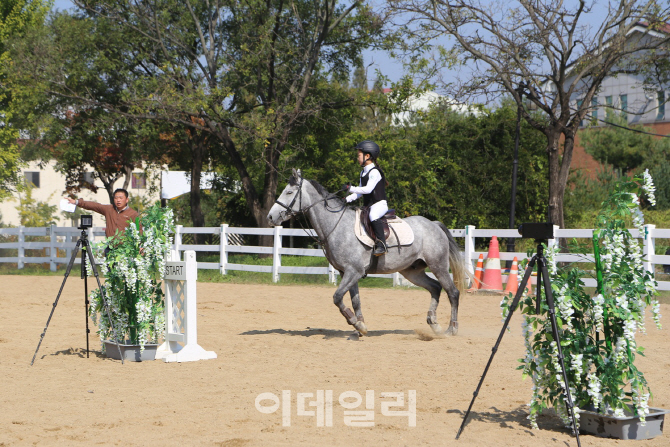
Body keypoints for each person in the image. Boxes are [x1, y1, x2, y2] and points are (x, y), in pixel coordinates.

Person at [343, 140, 389, 256]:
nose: (357, 158)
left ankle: (382, 245)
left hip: (379, 205)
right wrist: (346, 199)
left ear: (367, 156)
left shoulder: (375, 172)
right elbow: (360, 192)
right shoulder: (363, 172)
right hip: (368, 205)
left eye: (358, 155)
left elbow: (367, 189)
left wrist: (350, 188)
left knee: (373, 215)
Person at [66, 189, 140, 254]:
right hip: (110, 248)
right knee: (109, 269)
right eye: (116, 198)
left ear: (127, 200)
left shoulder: (133, 214)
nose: (118, 200)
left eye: (121, 198)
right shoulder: (109, 209)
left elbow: (139, 230)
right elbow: (94, 205)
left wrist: (140, 246)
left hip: (125, 249)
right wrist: (76, 202)